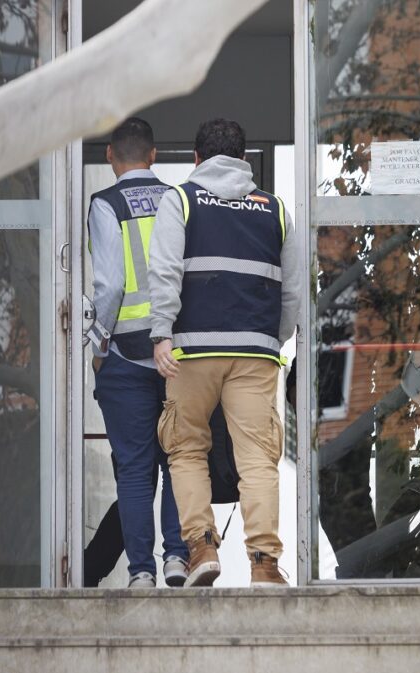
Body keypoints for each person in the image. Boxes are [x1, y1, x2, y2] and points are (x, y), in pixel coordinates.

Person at [148, 118, 302, 587]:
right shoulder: (275, 210)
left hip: (192, 352)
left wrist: (162, 334)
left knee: (187, 447)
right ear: (243, 159)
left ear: (197, 159)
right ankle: (264, 564)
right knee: (257, 457)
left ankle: (200, 550)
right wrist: (272, 340)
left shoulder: (181, 199)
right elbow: (292, 291)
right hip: (255, 352)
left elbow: (165, 270)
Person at [88, 117, 188, 588]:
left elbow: (108, 286)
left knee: (133, 470)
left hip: (126, 356)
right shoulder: (177, 199)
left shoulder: (106, 204)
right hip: (177, 355)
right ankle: (177, 558)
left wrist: (98, 345)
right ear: (154, 155)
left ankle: (141, 573)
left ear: (110, 155)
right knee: (178, 461)